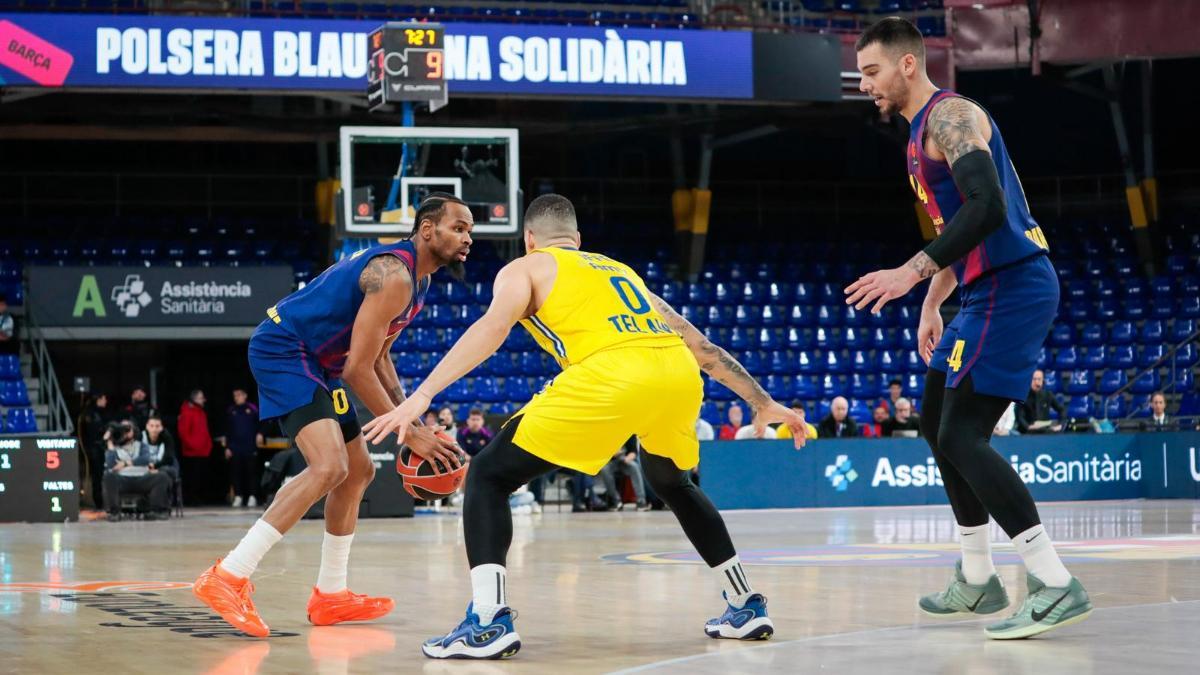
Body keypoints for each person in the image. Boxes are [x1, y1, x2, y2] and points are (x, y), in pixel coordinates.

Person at [362, 194, 806, 659]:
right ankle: (745, 604)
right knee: (674, 483)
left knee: (489, 476)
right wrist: (762, 402)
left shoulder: (526, 267)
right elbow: (700, 345)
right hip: (677, 374)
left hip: (612, 374)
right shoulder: (620, 271)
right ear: (577, 239)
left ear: (529, 239)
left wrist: (423, 396)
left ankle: (488, 622)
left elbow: (493, 328)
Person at [848, 17, 1091, 639]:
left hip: (1013, 286)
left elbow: (988, 207)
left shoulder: (950, 116)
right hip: (981, 288)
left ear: (907, 64)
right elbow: (958, 228)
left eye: (872, 71)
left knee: (962, 434)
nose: (864, 84)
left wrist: (910, 272)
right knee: (935, 421)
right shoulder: (917, 135)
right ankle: (978, 577)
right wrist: (933, 301)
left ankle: (1054, 582)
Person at [191, 193, 469, 638]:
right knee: (329, 467)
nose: (468, 237)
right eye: (458, 227)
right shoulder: (394, 275)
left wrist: (413, 419)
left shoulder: (419, 283)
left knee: (358, 472)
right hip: (285, 349)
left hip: (321, 362)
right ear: (426, 230)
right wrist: (410, 433)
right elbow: (358, 370)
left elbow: (379, 358)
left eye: (469, 230)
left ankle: (330, 595)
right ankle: (227, 576)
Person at [103, 419, 173, 521]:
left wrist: (125, 463)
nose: (125, 432)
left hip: (142, 478)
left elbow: (145, 459)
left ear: (134, 431)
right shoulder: (113, 448)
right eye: (122, 429)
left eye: (127, 429)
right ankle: (114, 513)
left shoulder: (141, 445)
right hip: (122, 479)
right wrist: (109, 443)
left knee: (162, 476)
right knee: (108, 476)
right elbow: (111, 465)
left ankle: (157, 511)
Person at [223, 388, 262, 508]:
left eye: (239, 395)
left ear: (245, 395)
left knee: (251, 472)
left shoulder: (252, 409)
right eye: (235, 396)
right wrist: (227, 447)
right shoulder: (231, 411)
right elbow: (227, 430)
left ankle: (252, 496)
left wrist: (261, 434)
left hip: (249, 446)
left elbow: (262, 423)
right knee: (235, 473)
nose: (237, 398)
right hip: (235, 447)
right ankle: (238, 496)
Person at [178, 389, 213, 506]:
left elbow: (204, 431)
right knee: (192, 479)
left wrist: (208, 445)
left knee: (200, 478)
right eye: (201, 398)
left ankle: (198, 499)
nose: (204, 400)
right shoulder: (187, 412)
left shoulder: (201, 412)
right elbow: (183, 434)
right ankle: (191, 500)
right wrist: (195, 446)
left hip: (203, 452)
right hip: (192, 453)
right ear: (195, 399)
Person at [81, 393, 113, 509]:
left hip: (103, 448)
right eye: (104, 399)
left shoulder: (103, 413)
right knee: (97, 476)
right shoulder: (90, 414)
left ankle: (108, 501)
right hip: (95, 449)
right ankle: (99, 502)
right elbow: (91, 432)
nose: (106, 401)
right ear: (98, 399)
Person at [597, 441, 650, 511]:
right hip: (610, 461)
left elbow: (633, 451)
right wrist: (612, 453)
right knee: (604, 470)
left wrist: (628, 458)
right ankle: (616, 500)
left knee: (634, 467)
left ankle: (641, 500)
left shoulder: (630, 434)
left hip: (625, 459)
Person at [141, 414, 179, 484]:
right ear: (147, 426)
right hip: (146, 465)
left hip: (162, 464)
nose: (154, 429)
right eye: (151, 426)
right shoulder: (141, 436)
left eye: (157, 426)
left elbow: (168, 458)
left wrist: (155, 467)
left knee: (170, 467)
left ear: (162, 427)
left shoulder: (167, 437)